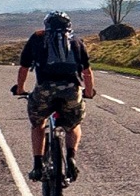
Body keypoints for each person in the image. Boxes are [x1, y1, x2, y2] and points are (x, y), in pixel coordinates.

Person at [13, 12, 97, 182]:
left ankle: (37, 165)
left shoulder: (37, 39)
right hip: (71, 90)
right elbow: (86, 72)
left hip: (45, 89)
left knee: (38, 124)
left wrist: (20, 89)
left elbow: (23, 68)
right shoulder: (76, 41)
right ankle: (71, 158)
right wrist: (88, 92)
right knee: (73, 124)